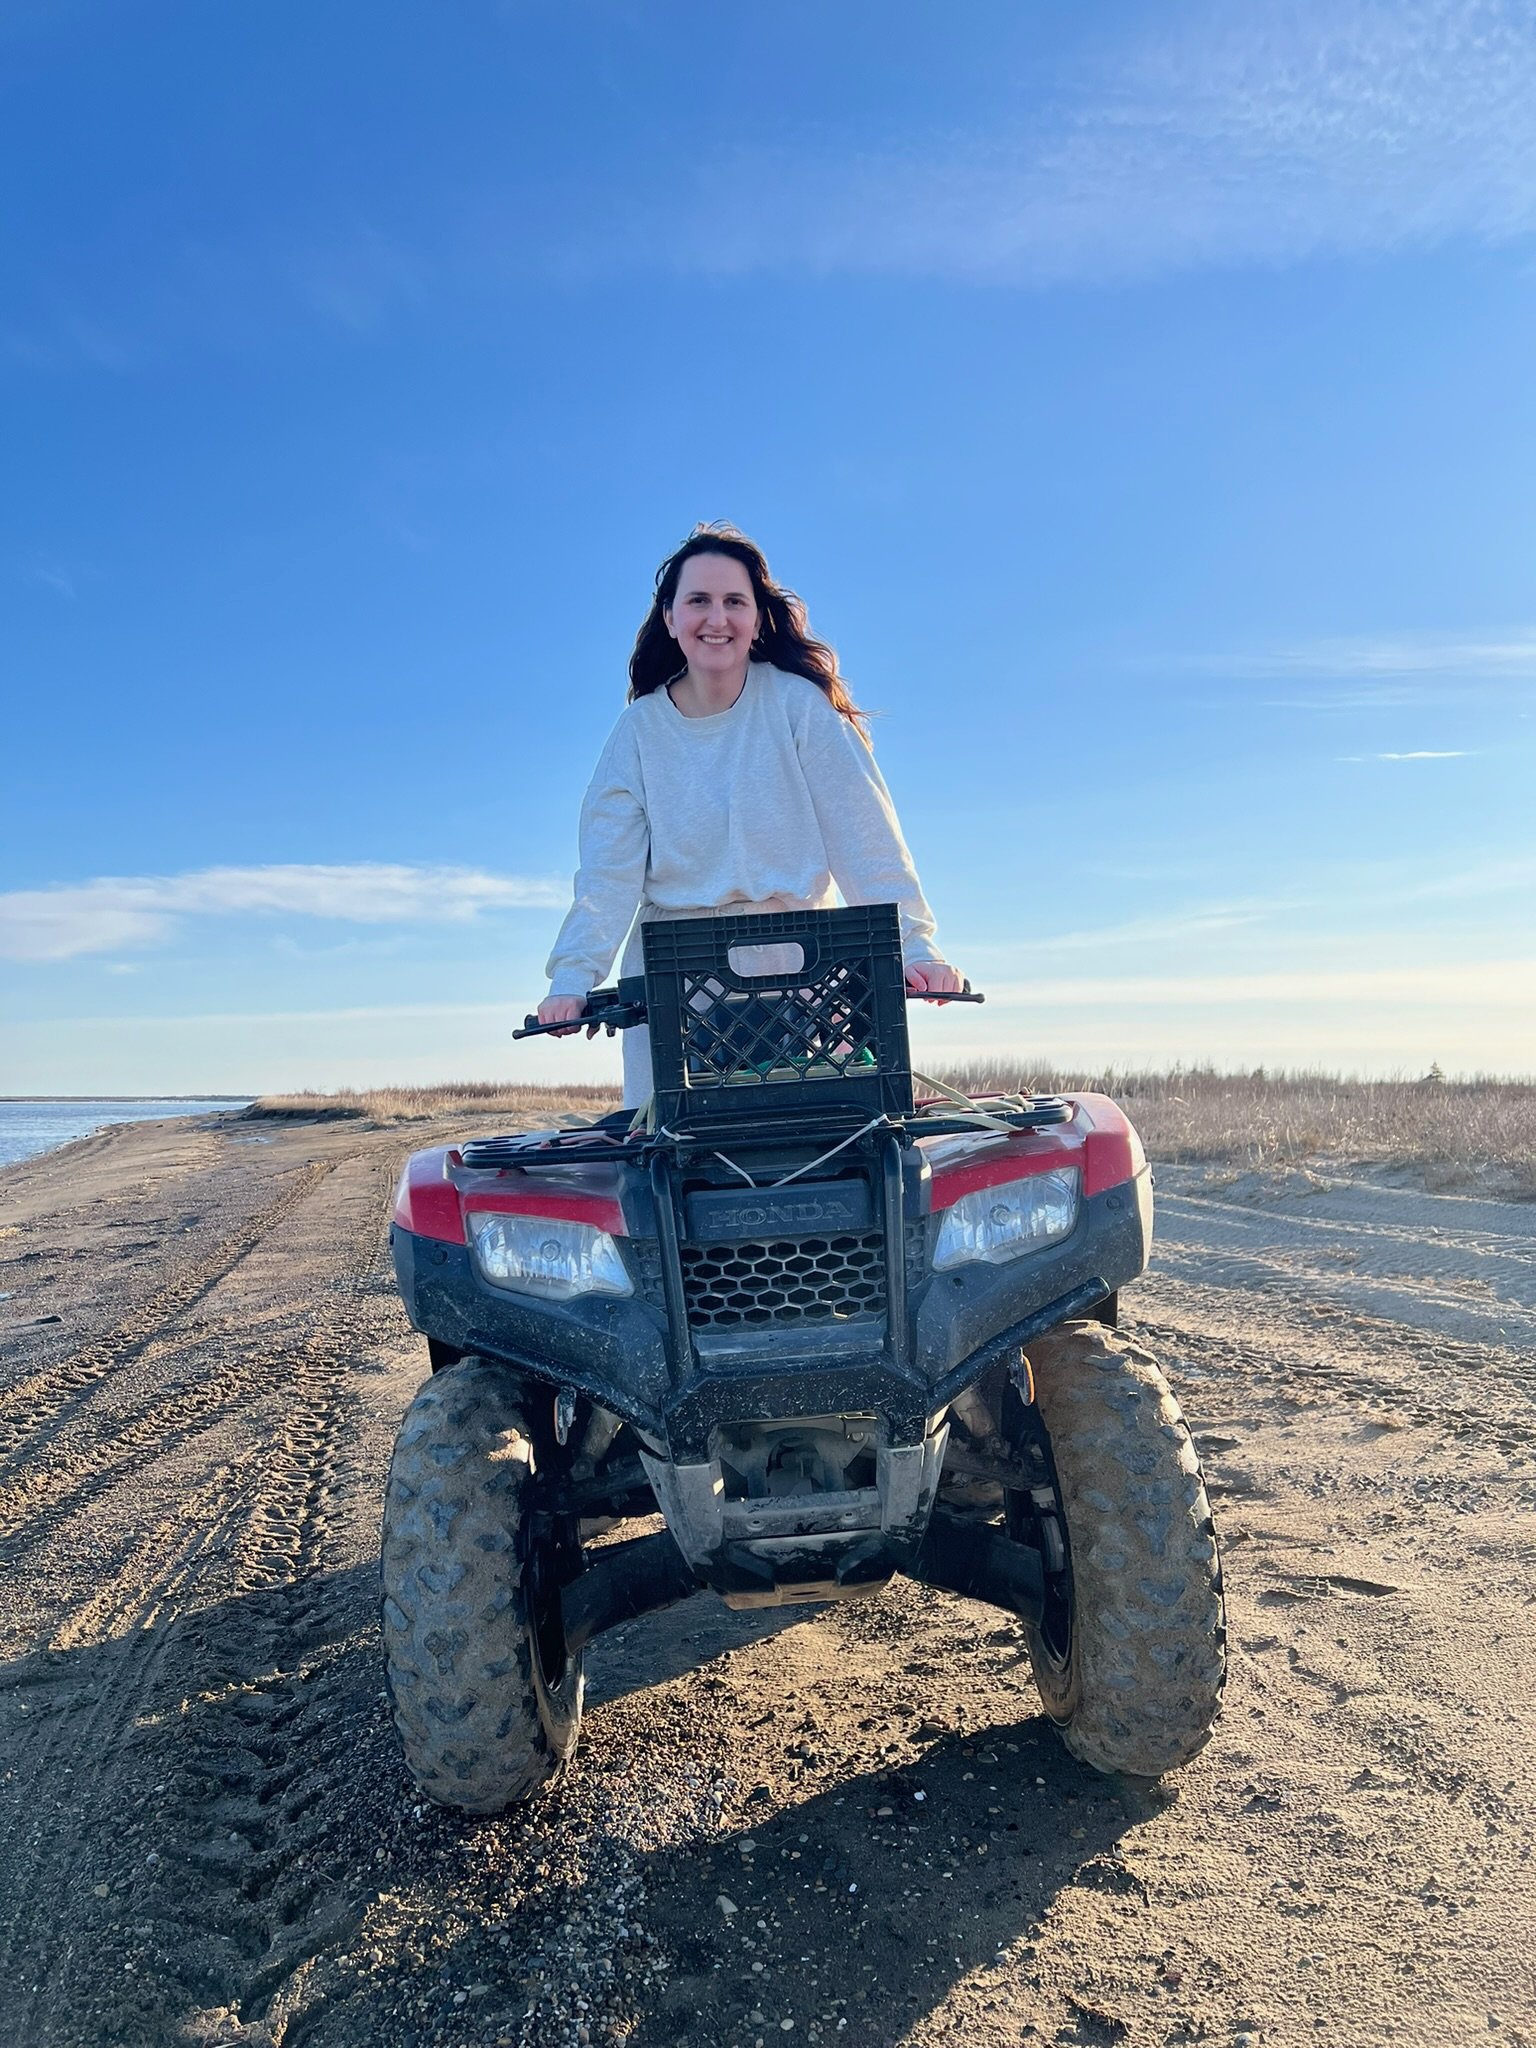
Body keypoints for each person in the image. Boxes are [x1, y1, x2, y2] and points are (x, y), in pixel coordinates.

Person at [537, 523, 964, 1107]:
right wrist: (573, 980)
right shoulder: (638, 732)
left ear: (758, 617)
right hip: (675, 981)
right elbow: (608, 874)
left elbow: (865, 838)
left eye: (734, 601)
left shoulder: (797, 707)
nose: (718, 619)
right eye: (699, 601)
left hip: (799, 966)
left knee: (813, 1143)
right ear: (670, 617)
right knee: (676, 1154)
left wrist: (918, 949)